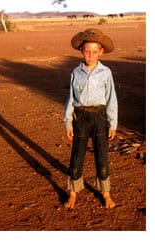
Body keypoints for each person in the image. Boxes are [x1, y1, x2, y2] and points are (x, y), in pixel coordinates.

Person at [64, 28, 118, 209]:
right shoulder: (75, 72)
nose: (91, 55)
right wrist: (68, 122)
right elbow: (70, 99)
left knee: (102, 155)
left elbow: (112, 98)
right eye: (87, 51)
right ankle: (73, 193)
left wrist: (113, 123)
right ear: (81, 51)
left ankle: (106, 193)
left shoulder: (106, 73)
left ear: (101, 52)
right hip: (80, 117)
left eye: (95, 51)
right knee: (77, 155)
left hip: (100, 117)